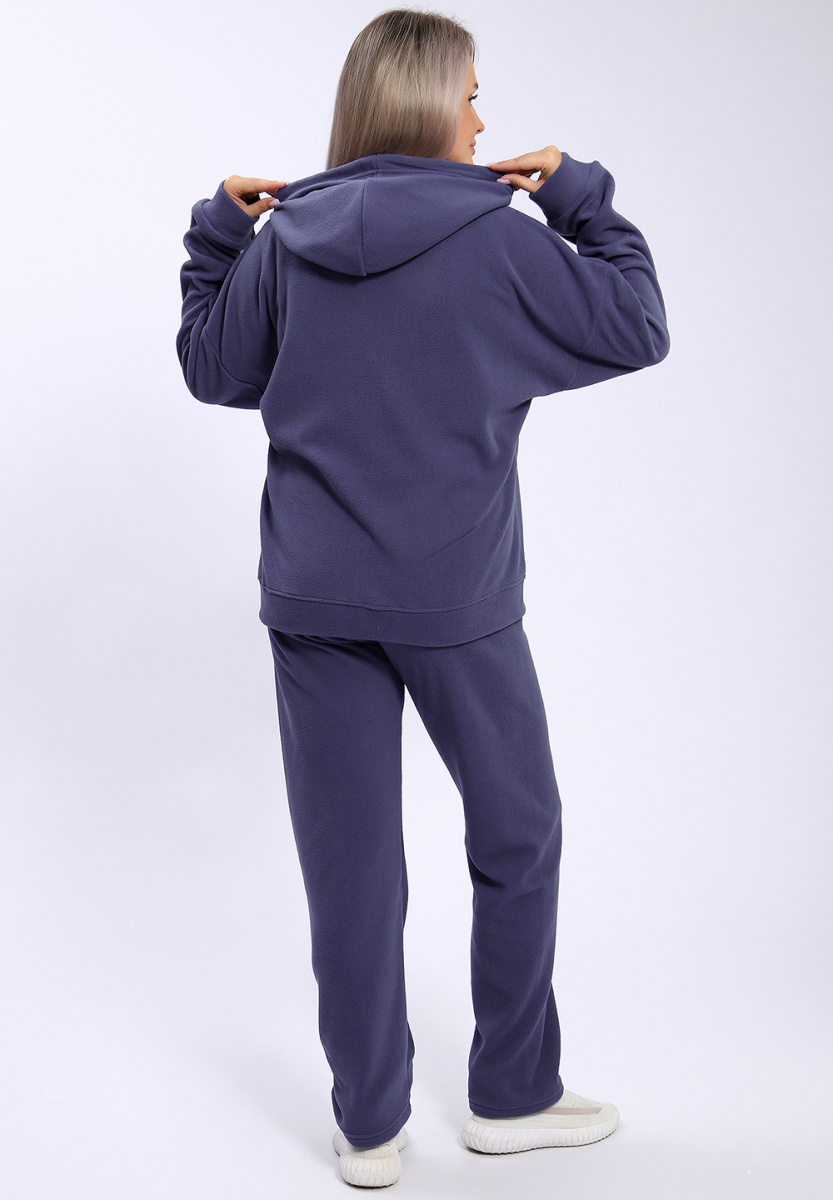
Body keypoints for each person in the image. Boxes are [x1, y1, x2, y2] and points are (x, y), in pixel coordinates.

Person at [176, 6, 669, 1189]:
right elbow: (637, 324)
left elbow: (210, 367)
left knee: (349, 869)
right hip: (455, 601)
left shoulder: (283, 244)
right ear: (427, 103)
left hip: (312, 600)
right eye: (470, 96)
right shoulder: (497, 241)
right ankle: (511, 1095)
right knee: (517, 832)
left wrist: (216, 233)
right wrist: (578, 194)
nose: (482, 122)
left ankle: (368, 1128)